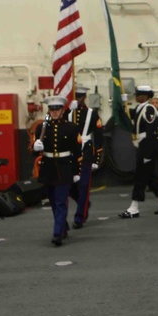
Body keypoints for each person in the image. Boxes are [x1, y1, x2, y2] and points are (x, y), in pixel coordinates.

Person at [31, 95, 79, 246]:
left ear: (62, 110)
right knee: (53, 200)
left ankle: (57, 233)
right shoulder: (42, 127)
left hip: (65, 167)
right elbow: (34, 152)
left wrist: (76, 172)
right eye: (51, 109)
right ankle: (63, 225)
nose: (54, 112)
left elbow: (77, 151)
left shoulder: (71, 127)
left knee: (60, 201)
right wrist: (35, 147)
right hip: (48, 167)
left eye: (57, 109)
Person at [120, 86, 158, 218]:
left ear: (145, 96)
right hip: (141, 145)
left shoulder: (149, 108)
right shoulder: (140, 108)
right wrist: (122, 103)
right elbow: (129, 114)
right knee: (149, 177)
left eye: (138, 94)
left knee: (140, 177)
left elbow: (151, 132)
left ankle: (134, 208)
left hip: (146, 147)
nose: (136, 97)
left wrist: (148, 153)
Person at [67, 86, 104, 229]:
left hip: (85, 153)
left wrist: (97, 159)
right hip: (70, 154)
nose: (78, 99)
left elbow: (99, 138)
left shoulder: (92, 114)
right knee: (69, 186)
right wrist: (67, 110)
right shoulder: (67, 113)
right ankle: (84, 203)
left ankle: (79, 217)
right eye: (75, 96)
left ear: (84, 97)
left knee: (83, 186)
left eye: (80, 96)